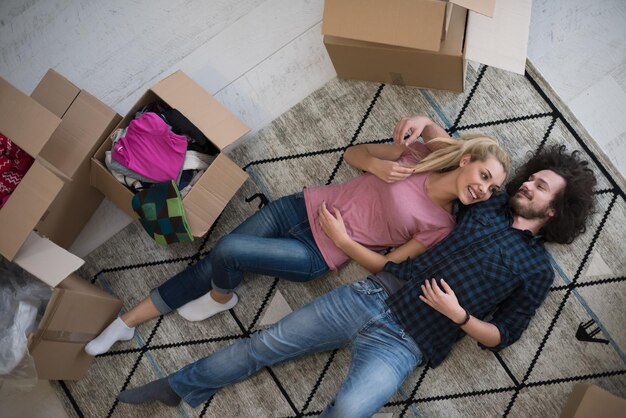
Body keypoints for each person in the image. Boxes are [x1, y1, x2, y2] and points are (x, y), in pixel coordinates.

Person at [115, 124, 596, 417]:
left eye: (540, 187)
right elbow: (465, 163)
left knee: (348, 410)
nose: (527, 184)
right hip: (366, 296)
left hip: (410, 341)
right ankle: (179, 387)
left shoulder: (537, 271)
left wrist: (459, 316)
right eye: (532, 177)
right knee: (264, 345)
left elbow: (505, 335)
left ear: (555, 211)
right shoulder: (485, 207)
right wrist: (427, 126)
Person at [85, 116, 509, 356]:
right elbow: (353, 155)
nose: (483, 189)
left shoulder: (443, 225)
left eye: (491, 190)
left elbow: (389, 265)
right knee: (215, 259)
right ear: (466, 159)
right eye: (484, 176)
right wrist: (379, 165)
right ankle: (125, 323)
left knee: (228, 251)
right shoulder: (417, 156)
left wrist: (343, 242)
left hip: (317, 253)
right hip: (299, 205)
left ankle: (221, 297)